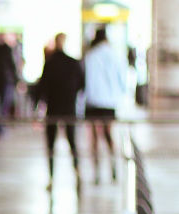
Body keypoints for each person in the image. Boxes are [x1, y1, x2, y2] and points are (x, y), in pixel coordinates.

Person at [35, 32, 84, 188]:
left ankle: (51, 177)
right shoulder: (73, 63)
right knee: (72, 142)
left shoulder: (50, 63)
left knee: (51, 144)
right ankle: (77, 172)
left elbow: (42, 88)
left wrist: (37, 106)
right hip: (69, 108)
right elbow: (81, 85)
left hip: (53, 109)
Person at [82, 26, 126, 183]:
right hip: (109, 102)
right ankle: (113, 165)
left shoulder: (90, 56)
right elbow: (122, 80)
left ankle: (96, 170)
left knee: (93, 138)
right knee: (109, 135)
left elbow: (85, 81)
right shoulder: (115, 55)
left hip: (92, 101)